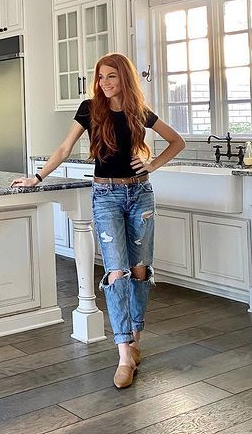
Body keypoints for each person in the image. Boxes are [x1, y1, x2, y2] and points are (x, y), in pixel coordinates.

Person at [11, 53, 185, 389]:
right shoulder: (90, 109)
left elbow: (177, 142)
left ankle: (135, 341)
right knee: (116, 271)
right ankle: (123, 353)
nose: (104, 83)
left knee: (139, 270)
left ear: (124, 78)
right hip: (105, 196)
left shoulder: (139, 111)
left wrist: (152, 165)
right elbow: (64, 148)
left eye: (111, 77)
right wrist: (37, 177)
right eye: (101, 77)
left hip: (140, 195)